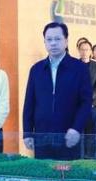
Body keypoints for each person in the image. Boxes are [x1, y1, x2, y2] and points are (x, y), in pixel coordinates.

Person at [23, 22, 92, 160]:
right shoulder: (36, 69)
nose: (53, 43)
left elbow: (86, 103)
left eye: (57, 39)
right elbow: (29, 103)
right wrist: (27, 132)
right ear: (44, 42)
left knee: (68, 172)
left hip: (69, 136)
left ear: (66, 41)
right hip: (42, 137)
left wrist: (76, 128)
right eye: (49, 39)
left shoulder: (79, 68)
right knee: (44, 172)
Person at [78, 40, 96, 159]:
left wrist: (87, 99)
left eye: (87, 49)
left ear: (91, 51)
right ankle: (80, 160)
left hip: (94, 105)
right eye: (82, 49)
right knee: (80, 134)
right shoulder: (73, 65)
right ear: (79, 51)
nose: (84, 52)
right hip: (78, 107)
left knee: (95, 135)